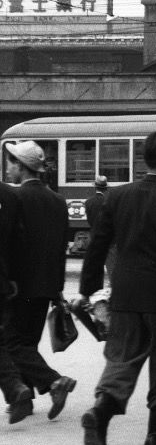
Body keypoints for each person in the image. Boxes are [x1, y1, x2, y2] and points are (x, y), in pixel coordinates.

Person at [73, 130, 156, 445]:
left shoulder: (117, 197)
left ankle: (101, 412)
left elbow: (97, 245)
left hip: (125, 295)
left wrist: (88, 290)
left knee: (122, 358)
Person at [2, 140, 74, 424]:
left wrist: (6, 279)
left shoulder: (14, 198)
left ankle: (54, 382)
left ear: (21, 166)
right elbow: (61, 247)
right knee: (27, 342)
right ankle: (25, 400)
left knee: (10, 343)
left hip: (19, 285)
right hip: (46, 285)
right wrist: (57, 287)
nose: (8, 168)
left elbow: (9, 243)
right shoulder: (57, 200)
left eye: (11, 163)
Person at [0, 176, 35, 425]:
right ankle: (14, 387)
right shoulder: (9, 196)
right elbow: (18, 242)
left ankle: (14, 387)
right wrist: (11, 278)